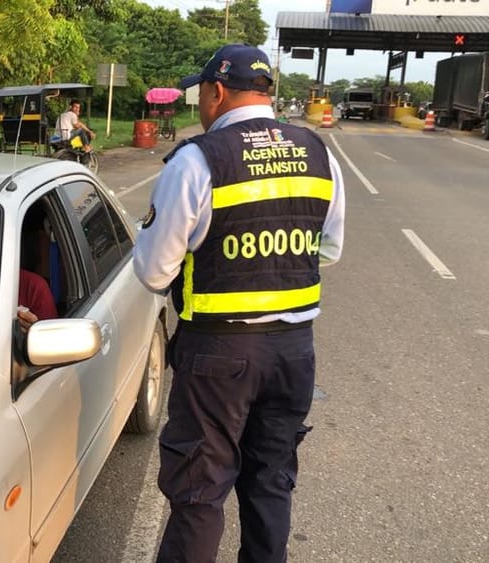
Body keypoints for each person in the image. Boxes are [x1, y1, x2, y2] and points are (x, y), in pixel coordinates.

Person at [132, 43, 345, 563]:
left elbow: (155, 270)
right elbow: (330, 250)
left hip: (218, 354)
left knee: (199, 492)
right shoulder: (319, 153)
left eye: (199, 96)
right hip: (294, 352)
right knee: (270, 483)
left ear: (216, 92)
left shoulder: (198, 159)